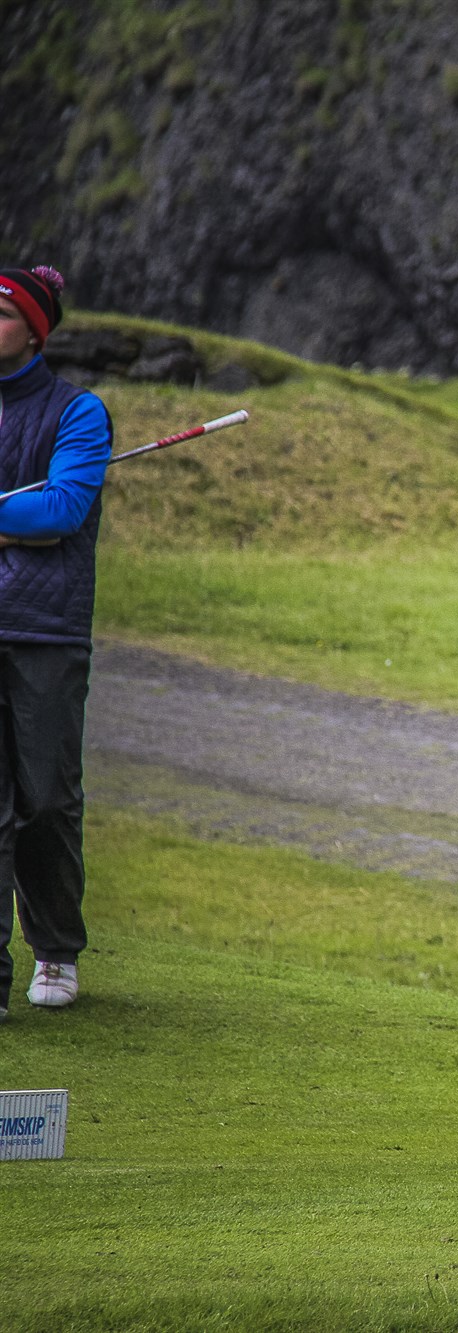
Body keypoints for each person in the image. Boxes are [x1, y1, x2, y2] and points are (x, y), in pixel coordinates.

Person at [0, 265, 111, 1021]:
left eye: (0, 312)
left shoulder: (79, 413)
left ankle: (56, 946)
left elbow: (62, 510)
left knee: (43, 801)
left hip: (44, 630)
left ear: (34, 329)